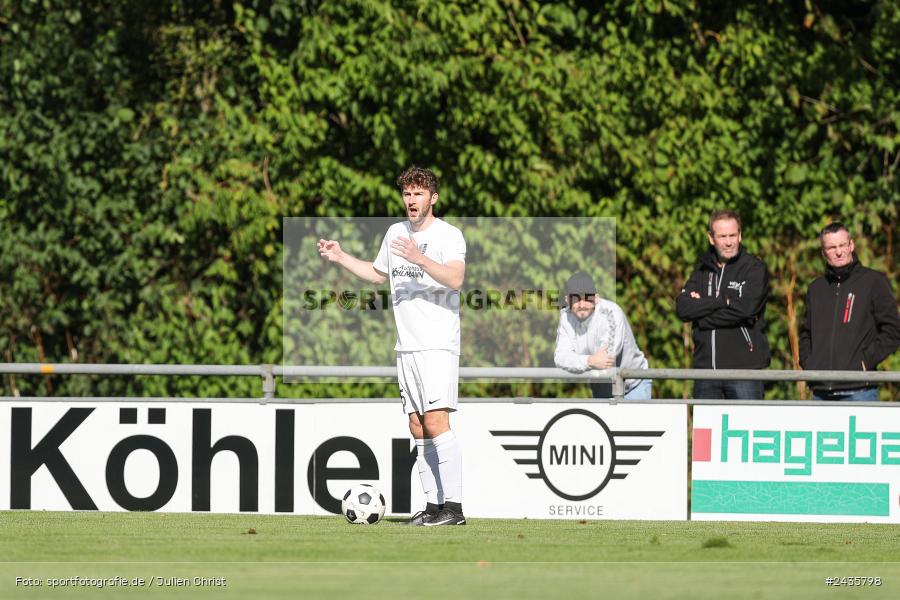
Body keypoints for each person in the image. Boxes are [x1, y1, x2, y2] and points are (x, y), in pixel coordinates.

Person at [318, 166, 467, 526]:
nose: (411, 200)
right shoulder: (394, 233)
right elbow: (377, 274)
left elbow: (456, 279)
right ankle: (433, 507)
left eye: (418, 194)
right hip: (407, 346)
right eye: (407, 193)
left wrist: (420, 259)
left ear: (433, 198)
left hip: (436, 345)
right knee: (417, 427)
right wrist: (341, 257)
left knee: (436, 421)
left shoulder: (449, 235)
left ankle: (455, 509)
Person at [798, 222, 900, 401]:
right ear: (823, 252)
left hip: (859, 391)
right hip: (821, 393)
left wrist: (865, 361)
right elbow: (806, 333)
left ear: (851, 245)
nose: (838, 252)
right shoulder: (816, 288)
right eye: (831, 247)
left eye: (842, 245)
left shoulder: (873, 282)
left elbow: (893, 331)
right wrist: (810, 364)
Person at [675, 209, 771, 399]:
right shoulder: (702, 270)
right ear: (711, 238)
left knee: (745, 427)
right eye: (722, 236)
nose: (729, 242)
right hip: (705, 371)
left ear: (740, 235)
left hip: (745, 371)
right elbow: (683, 308)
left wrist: (701, 316)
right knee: (707, 428)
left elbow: (746, 310)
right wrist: (722, 302)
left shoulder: (754, 268)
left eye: (733, 235)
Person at [554, 271, 651, 399]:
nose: (582, 304)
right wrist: (590, 361)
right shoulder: (565, 318)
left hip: (634, 386)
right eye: (576, 299)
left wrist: (581, 360)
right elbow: (560, 358)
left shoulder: (612, 313)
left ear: (596, 298)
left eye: (586, 298)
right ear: (567, 300)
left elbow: (607, 358)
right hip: (601, 388)